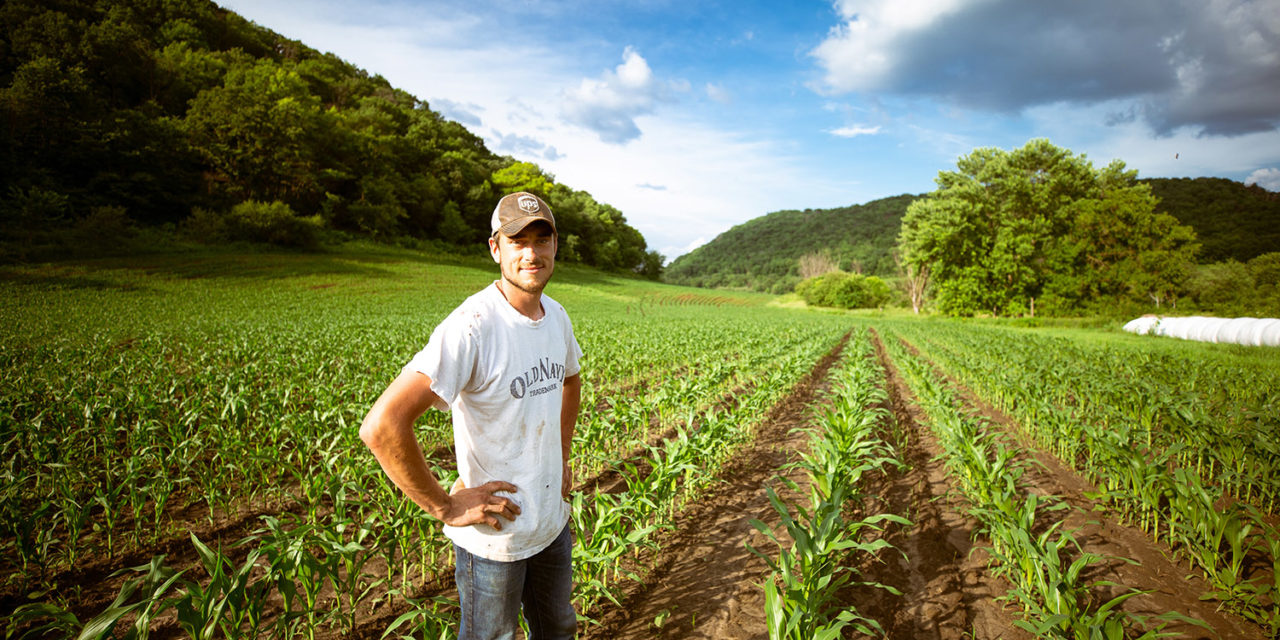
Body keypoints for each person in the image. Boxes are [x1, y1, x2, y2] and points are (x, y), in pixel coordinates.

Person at [360, 191, 582, 640]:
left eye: (542, 239)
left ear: (555, 246)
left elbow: (571, 380)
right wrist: (444, 505)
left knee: (558, 628)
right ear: (496, 248)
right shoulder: (473, 326)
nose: (531, 253)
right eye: (518, 241)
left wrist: (561, 453)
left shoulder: (556, 317)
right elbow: (382, 426)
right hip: (494, 539)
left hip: (551, 524)